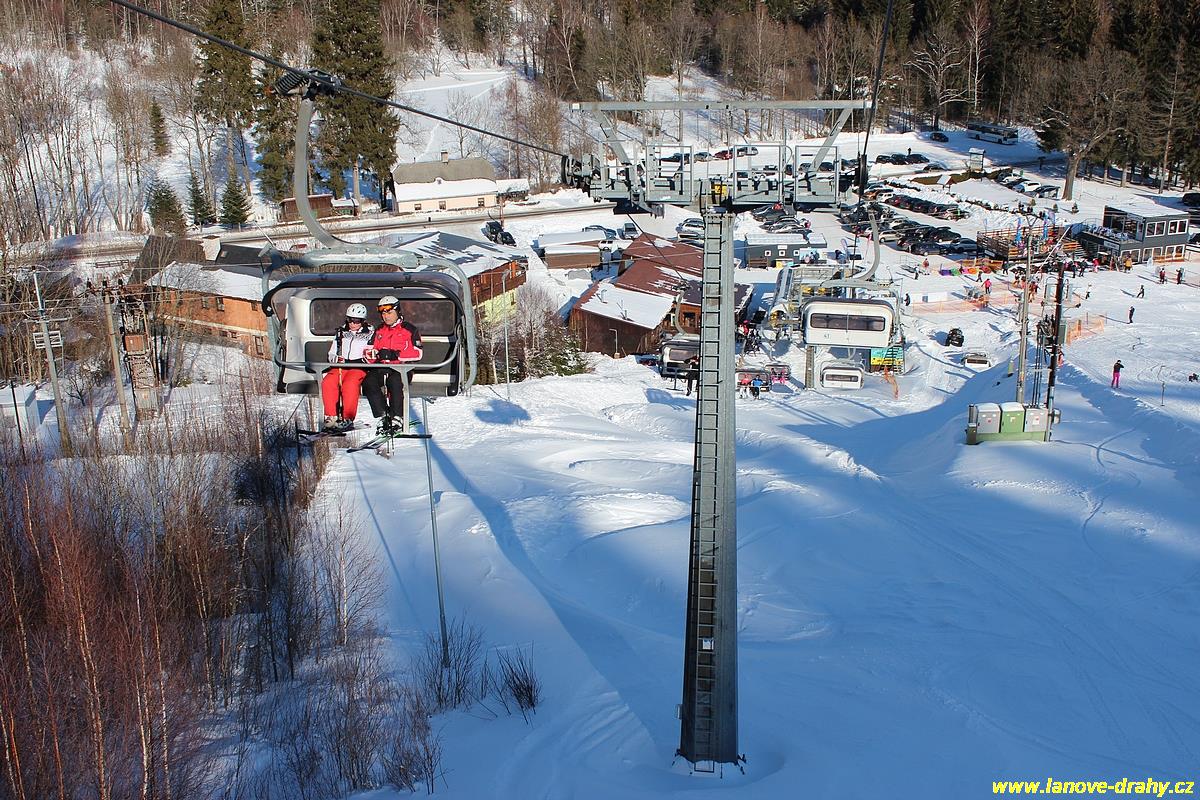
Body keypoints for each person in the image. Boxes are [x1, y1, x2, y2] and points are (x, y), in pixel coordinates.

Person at [362, 296, 423, 434]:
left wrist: (395, 354)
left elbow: (418, 353)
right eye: (383, 313)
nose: (386, 316)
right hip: (381, 367)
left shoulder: (409, 329)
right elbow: (368, 350)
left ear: (397, 312)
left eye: (389, 313)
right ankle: (383, 414)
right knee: (369, 382)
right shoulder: (379, 330)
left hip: (402, 368)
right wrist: (373, 355)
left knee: (394, 381)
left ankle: (397, 416)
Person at [320, 303, 373, 432]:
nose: (353, 324)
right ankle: (331, 416)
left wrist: (361, 360)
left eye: (357, 321)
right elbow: (332, 352)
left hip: (358, 366)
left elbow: (371, 353)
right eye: (350, 320)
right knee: (327, 382)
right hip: (341, 366)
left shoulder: (370, 333)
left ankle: (347, 417)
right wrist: (335, 359)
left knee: (350, 385)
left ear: (363, 321)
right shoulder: (341, 332)